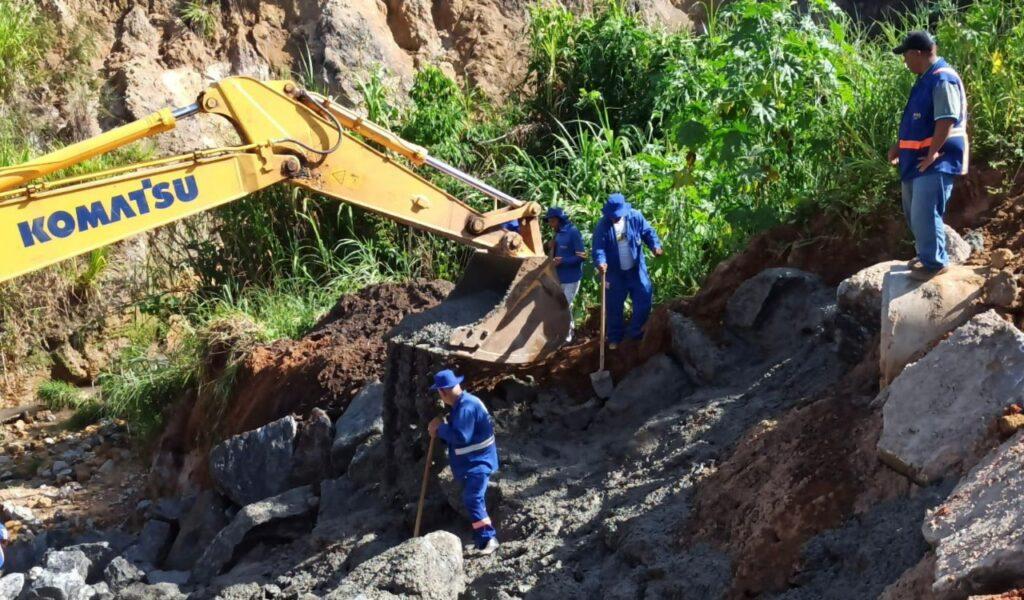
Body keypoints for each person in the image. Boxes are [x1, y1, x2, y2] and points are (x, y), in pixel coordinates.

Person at [887, 30, 969, 280]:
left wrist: (933, 154)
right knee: (914, 212)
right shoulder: (926, 78)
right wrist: (899, 146)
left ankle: (934, 263)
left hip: (936, 160)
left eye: (906, 55)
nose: (905, 61)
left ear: (918, 53)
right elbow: (919, 122)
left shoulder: (942, 78)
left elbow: (946, 119)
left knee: (925, 211)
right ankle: (926, 255)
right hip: (916, 160)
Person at [427, 369, 499, 556]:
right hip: (473, 463)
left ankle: (488, 538)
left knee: (472, 498)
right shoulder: (462, 405)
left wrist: (440, 429)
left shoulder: (466, 407)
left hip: (478, 463)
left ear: (442, 392)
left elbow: (461, 436)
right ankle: (481, 540)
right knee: (473, 499)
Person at [592, 193, 663, 349]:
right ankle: (615, 337)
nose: (615, 218)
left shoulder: (635, 217)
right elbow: (598, 248)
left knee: (644, 296)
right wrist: (601, 262)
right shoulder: (602, 226)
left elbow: (648, 232)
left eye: (617, 216)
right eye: (612, 216)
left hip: (635, 269)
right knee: (614, 305)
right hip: (614, 273)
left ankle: (636, 332)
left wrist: (655, 246)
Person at [545, 207, 586, 342]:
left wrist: (563, 261)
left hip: (571, 278)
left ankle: (566, 339)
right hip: (559, 277)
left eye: (552, 221)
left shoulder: (573, 232)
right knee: (564, 306)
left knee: (563, 307)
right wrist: (551, 247)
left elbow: (582, 255)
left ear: (558, 220)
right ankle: (571, 332)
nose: (550, 224)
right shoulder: (557, 233)